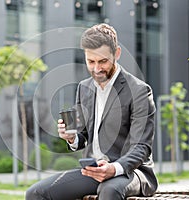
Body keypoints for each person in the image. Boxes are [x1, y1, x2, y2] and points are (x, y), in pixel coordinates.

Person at [26, 23, 158, 200]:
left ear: (116, 53)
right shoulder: (84, 88)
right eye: (91, 61)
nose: (96, 69)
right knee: (35, 193)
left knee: (109, 190)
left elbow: (141, 147)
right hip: (93, 171)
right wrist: (72, 138)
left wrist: (113, 168)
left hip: (131, 171)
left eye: (103, 61)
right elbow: (84, 136)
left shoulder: (139, 91)